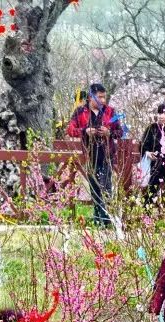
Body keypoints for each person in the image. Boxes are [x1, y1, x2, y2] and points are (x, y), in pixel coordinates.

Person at [67, 83, 124, 227]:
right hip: (90, 154)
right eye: (99, 97)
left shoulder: (111, 112)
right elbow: (70, 130)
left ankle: (106, 219)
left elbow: (120, 132)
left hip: (107, 155)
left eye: (104, 97)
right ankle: (98, 218)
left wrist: (109, 132)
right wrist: (85, 131)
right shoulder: (80, 112)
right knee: (94, 187)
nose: (103, 101)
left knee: (106, 186)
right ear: (91, 97)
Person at [139, 103, 165, 206]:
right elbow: (143, 144)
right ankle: (148, 211)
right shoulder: (153, 128)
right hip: (155, 165)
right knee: (151, 190)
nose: (161, 116)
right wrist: (147, 153)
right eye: (160, 113)